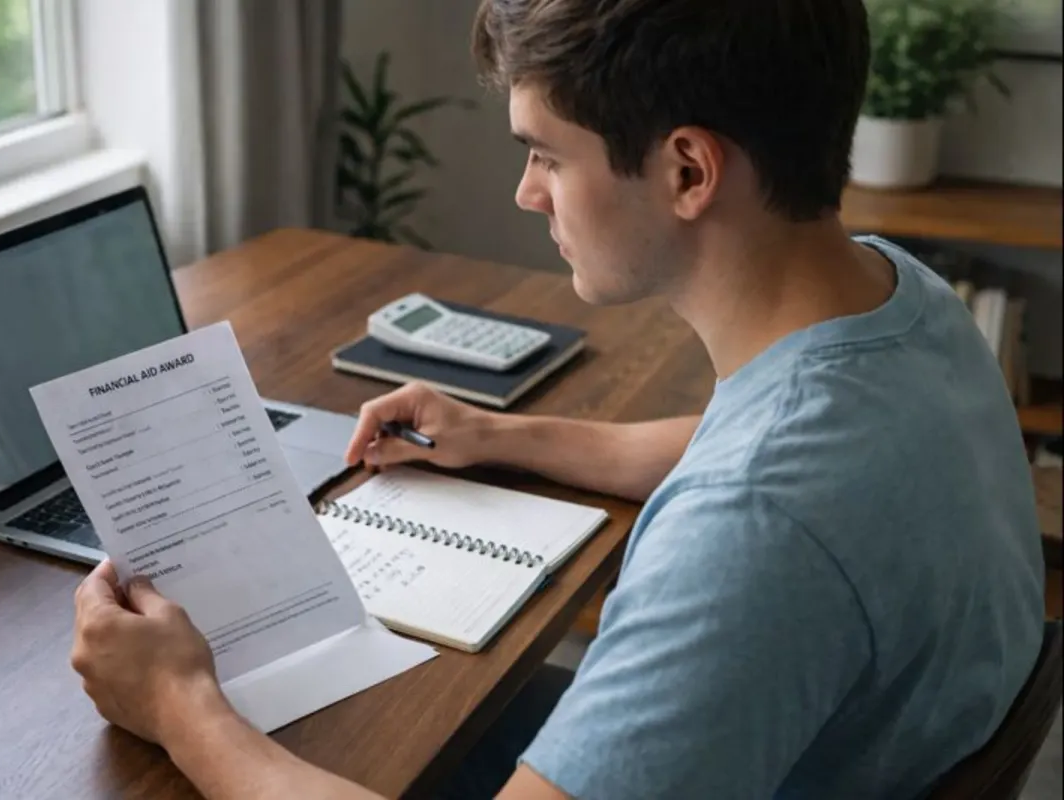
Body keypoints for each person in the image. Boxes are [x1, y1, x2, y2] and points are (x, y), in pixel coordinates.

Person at [68, 0, 1047, 797]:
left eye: (546, 152)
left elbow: (758, 494)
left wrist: (181, 701)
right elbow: (744, 439)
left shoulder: (757, 531)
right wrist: (507, 434)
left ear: (687, 171)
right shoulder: (898, 296)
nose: (527, 193)